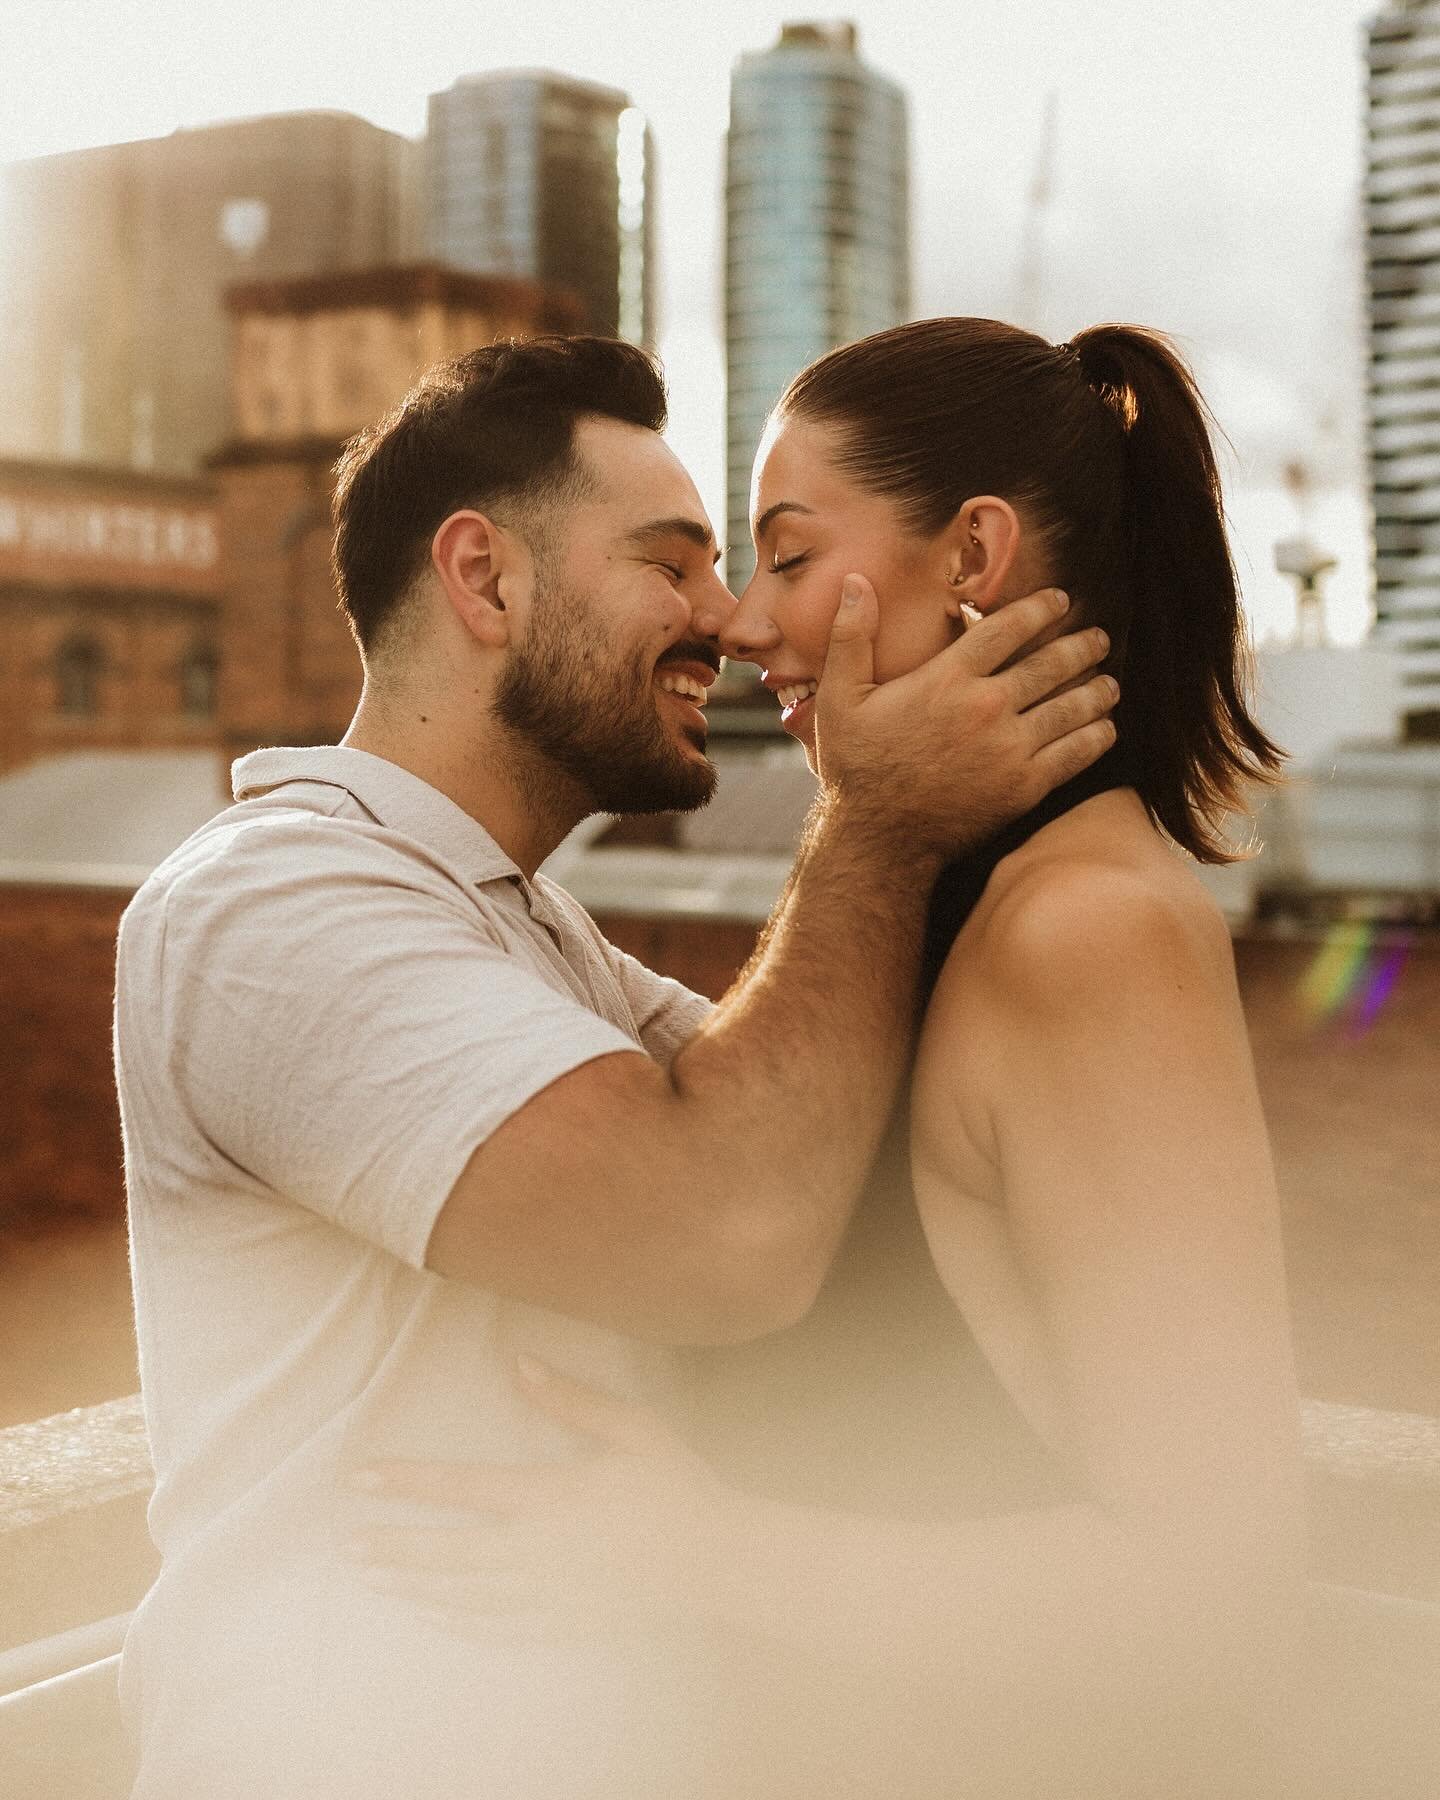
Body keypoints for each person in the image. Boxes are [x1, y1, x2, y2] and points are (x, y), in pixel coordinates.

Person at [111, 333, 1116, 1798]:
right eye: (674, 563)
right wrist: (883, 825)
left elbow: (819, 1130)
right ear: (486, 580)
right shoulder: (266, 912)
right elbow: (732, 1233)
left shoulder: (526, 934)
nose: (727, 618)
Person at [350, 321, 1308, 1798]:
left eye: (788, 557)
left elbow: (1214, 1593)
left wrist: (696, 1550)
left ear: (974, 556)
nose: (738, 624)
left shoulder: (1095, 934)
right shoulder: (930, 904)